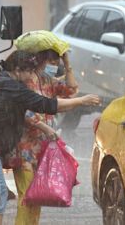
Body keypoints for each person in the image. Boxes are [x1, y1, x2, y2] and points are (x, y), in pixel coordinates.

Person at [0, 50, 100, 225]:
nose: (31, 75)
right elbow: (47, 104)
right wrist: (81, 101)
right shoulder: (14, 88)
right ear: (17, 69)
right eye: (30, 71)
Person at [12, 49, 78, 225]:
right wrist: (44, 127)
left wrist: (68, 63)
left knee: (36, 197)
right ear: (41, 60)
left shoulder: (47, 81)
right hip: (23, 149)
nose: (54, 66)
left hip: (42, 149)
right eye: (52, 62)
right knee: (26, 198)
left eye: (57, 63)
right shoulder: (25, 80)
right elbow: (23, 111)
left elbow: (71, 91)